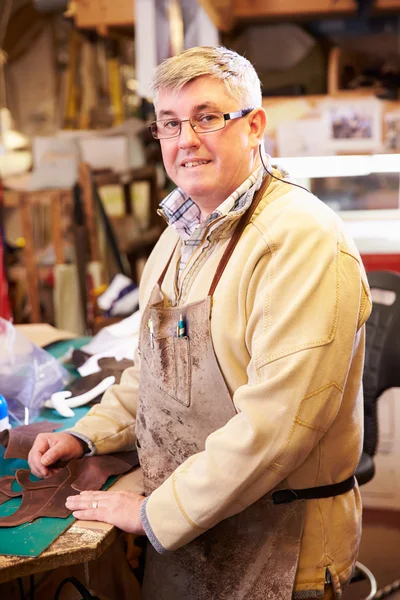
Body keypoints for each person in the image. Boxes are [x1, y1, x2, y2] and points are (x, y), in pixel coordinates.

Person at [28, 46, 371, 600]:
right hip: (197, 530)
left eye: (207, 117)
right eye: (169, 123)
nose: (185, 139)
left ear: (254, 125)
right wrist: (84, 434)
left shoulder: (303, 241)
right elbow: (156, 372)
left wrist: (154, 512)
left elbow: (275, 429)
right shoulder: (178, 235)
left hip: (280, 544)